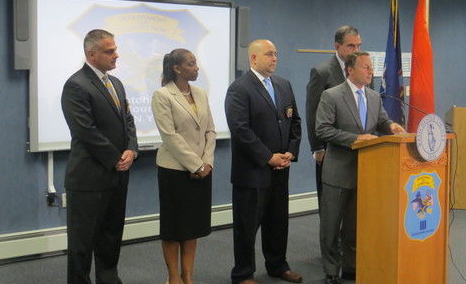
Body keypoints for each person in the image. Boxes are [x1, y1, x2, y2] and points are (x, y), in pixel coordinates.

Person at [315, 51, 405, 284]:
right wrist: (355, 138)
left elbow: (382, 121)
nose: (370, 72)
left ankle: (352, 266)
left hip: (367, 172)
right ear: (350, 70)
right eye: (365, 67)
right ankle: (331, 270)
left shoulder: (374, 97)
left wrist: (392, 125)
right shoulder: (331, 95)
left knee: (356, 225)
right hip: (338, 171)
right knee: (331, 226)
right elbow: (322, 130)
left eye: (370, 68)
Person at [61, 29, 139, 284]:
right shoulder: (76, 85)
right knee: (82, 243)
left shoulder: (115, 83)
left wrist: (132, 148)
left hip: (117, 177)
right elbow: (85, 130)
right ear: (91, 54)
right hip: (89, 179)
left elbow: (128, 120)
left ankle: (108, 279)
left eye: (115, 49)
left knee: (111, 236)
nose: (116, 55)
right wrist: (116, 157)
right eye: (109, 51)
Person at [225, 39, 302, 284]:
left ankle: (278, 265)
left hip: (280, 169)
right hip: (252, 172)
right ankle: (243, 274)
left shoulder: (283, 85)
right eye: (269, 54)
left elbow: (294, 122)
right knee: (247, 226)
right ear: (253, 58)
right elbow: (241, 130)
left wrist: (290, 151)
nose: (275, 58)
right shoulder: (239, 88)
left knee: (278, 222)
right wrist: (268, 157)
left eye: (276, 54)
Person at [151, 49, 216, 284]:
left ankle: (188, 275)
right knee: (173, 228)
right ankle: (173, 277)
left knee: (192, 227)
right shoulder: (162, 95)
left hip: (202, 170)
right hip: (175, 171)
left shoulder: (200, 93)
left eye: (196, 63)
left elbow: (210, 130)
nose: (197, 67)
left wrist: (206, 162)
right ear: (177, 69)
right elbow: (170, 136)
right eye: (191, 64)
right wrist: (196, 165)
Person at [306, 25, 364, 209]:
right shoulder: (322, 72)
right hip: (331, 149)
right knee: (330, 204)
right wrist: (317, 148)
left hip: (359, 149)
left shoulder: (363, 72)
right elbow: (312, 112)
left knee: (355, 202)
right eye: (351, 46)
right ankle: (330, 238)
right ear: (337, 47)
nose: (356, 50)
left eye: (358, 46)